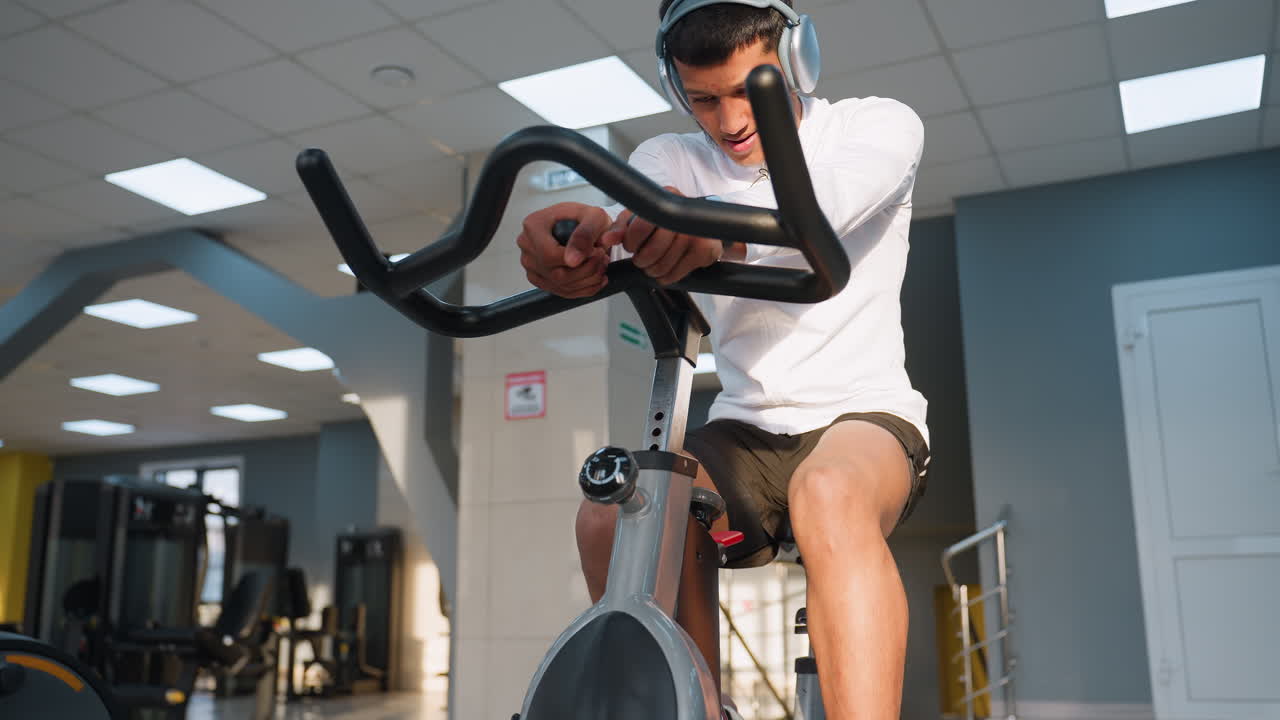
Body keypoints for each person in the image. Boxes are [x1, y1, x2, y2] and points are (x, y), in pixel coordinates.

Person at [516, 1, 929, 718]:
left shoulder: (876, 126)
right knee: (616, 516)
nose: (730, 120)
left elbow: (817, 211)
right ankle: (694, 705)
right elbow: (639, 209)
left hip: (864, 417)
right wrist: (576, 239)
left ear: (796, 61)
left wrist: (710, 237)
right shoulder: (673, 158)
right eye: (704, 99)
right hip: (741, 428)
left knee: (827, 492)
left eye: (748, 90)